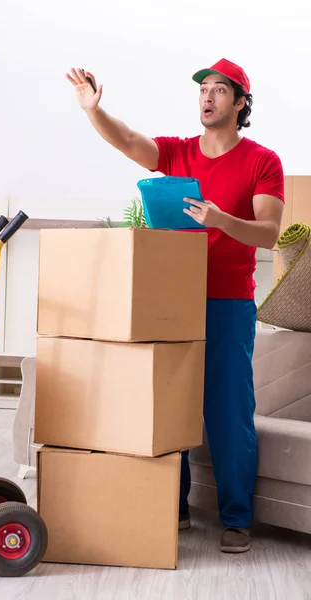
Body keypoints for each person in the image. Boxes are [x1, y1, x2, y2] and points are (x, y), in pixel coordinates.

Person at [66, 58, 285, 553]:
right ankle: (174, 506)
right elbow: (127, 141)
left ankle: (235, 520)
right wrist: (93, 111)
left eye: (219, 91)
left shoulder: (262, 161)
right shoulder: (178, 153)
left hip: (228, 302)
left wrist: (218, 218)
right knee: (169, 408)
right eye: (203, 89)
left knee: (229, 412)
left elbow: (269, 232)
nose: (207, 97)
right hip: (172, 300)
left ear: (241, 102)